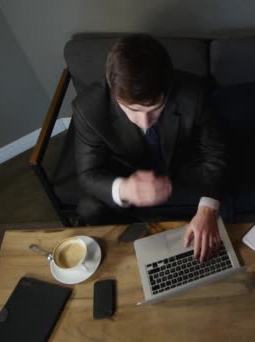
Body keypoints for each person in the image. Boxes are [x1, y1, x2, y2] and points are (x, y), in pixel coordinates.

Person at [72, 34, 226, 262]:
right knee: (88, 208)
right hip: (125, 172)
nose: (145, 122)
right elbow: (87, 174)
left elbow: (217, 153)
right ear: (114, 92)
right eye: (131, 110)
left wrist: (208, 209)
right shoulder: (88, 109)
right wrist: (124, 188)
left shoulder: (194, 93)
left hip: (183, 168)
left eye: (155, 108)